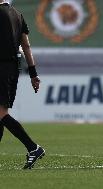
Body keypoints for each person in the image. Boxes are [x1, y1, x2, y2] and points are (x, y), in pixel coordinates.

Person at [0, 0, 45, 169]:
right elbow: (26, 45)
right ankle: (33, 148)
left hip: (1, 68)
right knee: (1, 113)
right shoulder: (18, 15)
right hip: (13, 69)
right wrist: (33, 74)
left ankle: (33, 147)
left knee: (1, 113)